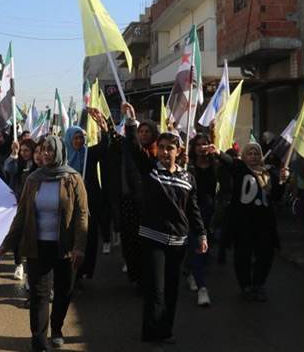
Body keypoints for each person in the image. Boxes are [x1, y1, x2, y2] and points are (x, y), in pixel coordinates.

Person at [122, 103, 207, 345]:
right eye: (161, 148)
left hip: (178, 242)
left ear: (179, 151)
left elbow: (193, 209)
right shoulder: (150, 171)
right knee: (155, 290)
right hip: (153, 240)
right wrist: (131, 121)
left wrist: (201, 235)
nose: (165, 152)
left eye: (170, 148)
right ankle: (151, 333)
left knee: (172, 290)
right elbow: (134, 148)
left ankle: (165, 331)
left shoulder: (187, 177)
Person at [0, 135, 88, 351]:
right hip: (38, 247)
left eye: (50, 149)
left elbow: (82, 215)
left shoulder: (73, 179)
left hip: (65, 249)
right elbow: (21, 216)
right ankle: (39, 343)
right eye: (43, 149)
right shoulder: (33, 179)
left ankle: (56, 328)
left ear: (58, 152)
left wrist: (79, 246)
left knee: (64, 291)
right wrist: (6, 244)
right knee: (39, 296)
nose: (45, 153)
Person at [216, 142, 288, 302]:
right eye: (250, 153)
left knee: (265, 254)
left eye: (256, 153)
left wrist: (282, 181)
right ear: (244, 156)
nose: (254, 156)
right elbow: (228, 161)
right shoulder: (240, 169)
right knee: (243, 255)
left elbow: (276, 196)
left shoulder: (269, 173)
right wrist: (218, 152)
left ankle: (258, 284)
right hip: (243, 222)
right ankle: (246, 286)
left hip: (265, 222)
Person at [63, 109, 110, 281]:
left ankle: (83, 271)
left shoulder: (89, 154)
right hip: (69, 203)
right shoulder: (64, 158)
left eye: (81, 137)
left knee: (89, 237)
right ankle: (70, 272)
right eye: (75, 137)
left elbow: (105, 145)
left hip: (90, 202)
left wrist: (104, 127)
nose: (79, 140)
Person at [120, 115, 159, 287]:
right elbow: (131, 145)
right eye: (140, 131)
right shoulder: (132, 151)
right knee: (132, 241)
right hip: (131, 202)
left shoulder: (157, 154)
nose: (143, 134)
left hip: (151, 205)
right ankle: (136, 276)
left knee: (148, 244)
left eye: (147, 131)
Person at [185, 134, 220, 306]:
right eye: (198, 144)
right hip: (191, 210)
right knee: (197, 243)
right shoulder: (188, 165)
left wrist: (219, 153)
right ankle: (202, 287)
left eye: (204, 144)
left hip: (209, 211)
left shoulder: (216, 165)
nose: (201, 147)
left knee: (202, 247)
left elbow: (233, 167)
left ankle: (192, 272)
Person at [2, 138, 37, 281]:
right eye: (22, 150)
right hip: (18, 205)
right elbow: (8, 168)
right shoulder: (17, 163)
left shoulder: (37, 165)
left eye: (27, 150)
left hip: (34, 207)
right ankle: (19, 264)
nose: (24, 153)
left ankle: (31, 270)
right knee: (18, 236)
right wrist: (14, 154)